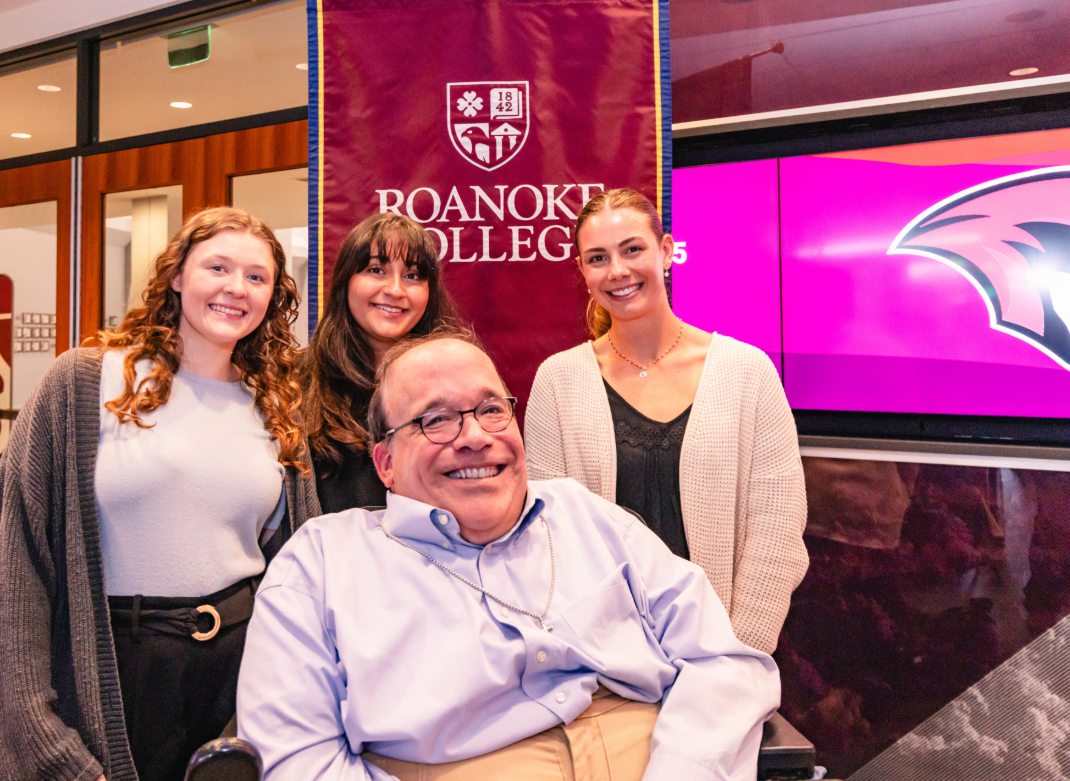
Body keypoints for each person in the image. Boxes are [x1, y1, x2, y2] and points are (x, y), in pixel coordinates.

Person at [236, 330, 781, 781]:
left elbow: (724, 663)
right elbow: (297, 759)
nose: (475, 436)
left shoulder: (588, 516)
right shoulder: (322, 562)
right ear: (385, 463)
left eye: (491, 409)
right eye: (435, 419)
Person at [0, 207, 320, 781]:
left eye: (257, 276)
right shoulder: (83, 383)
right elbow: (17, 568)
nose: (237, 288)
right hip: (118, 668)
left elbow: (294, 568)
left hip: (241, 675)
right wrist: (41, 739)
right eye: (218, 267)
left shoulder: (275, 407)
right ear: (177, 275)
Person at [524, 188, 808, 654]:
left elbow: (776, 529)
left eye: (632, 249)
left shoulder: (747, 371)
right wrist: (592, 658)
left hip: (726, 654)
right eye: (598, 258)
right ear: (582, 271)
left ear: (667, 251)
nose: (617, 270)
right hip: (600, 660)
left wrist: (738, 656)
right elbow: (546, 538)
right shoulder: (557, 380)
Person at [300, 212, 459, 513]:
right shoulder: (295, 382)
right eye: (376, 270)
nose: (395, 290)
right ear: (346, 281)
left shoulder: (456, 381)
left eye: (412, 275)